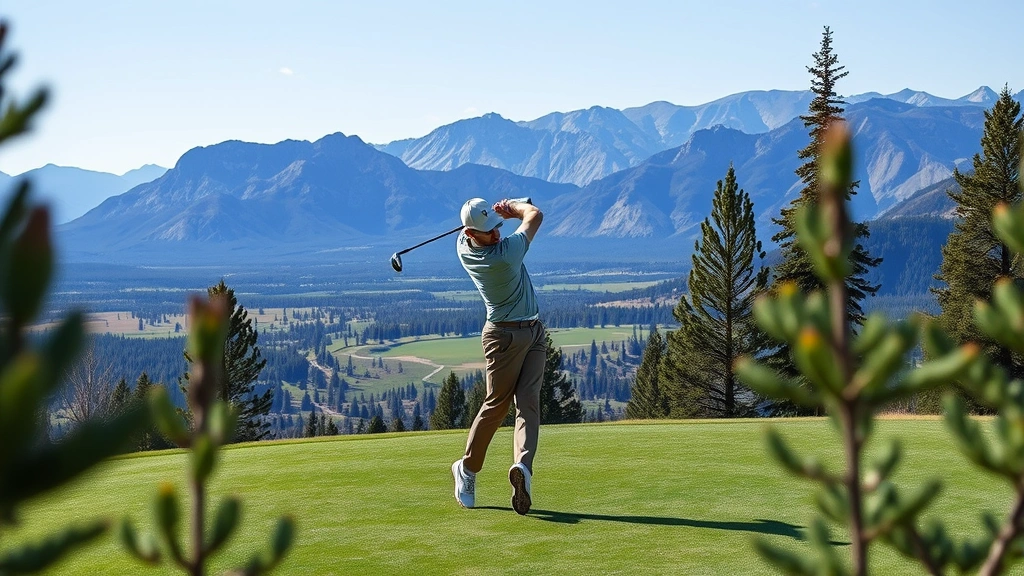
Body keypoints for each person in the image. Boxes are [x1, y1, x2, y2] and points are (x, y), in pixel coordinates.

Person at [451, 197, 546, 515]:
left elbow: (468, 231)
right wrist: (515, 206)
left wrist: (490, 216)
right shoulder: (504, 256)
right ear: (472, 233)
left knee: (529, 402)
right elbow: (535, 215)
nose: (497, 235)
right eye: (489, 232)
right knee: (497, 405)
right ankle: (466, 469)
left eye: (497, 228)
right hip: (503, 337)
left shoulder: (463, 247)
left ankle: (523, 469)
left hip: (533, 332)